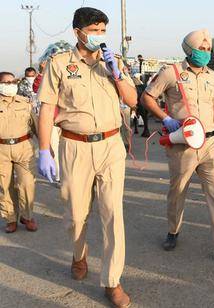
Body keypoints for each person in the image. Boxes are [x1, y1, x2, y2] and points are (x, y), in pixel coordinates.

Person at [37, 7, 137, 307]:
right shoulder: (59, 64)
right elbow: (45, 109)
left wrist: (117, 74)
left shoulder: (113, 62)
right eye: (94, 30)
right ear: (78, 32)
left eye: (103, 29)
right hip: (74, 146)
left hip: (110, 145)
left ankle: (112, 281)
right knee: (75, 216)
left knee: (112, 214)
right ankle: (79, 255)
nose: (99, 35)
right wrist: (44, 150)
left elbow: (132, 99)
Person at [140, 29, 214, 263]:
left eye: (208, 49)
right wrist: (165, 118)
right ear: (189, 50)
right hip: (184, 143)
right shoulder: (171, 73)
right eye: (201, 48)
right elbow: (147, 97)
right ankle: (173, 231)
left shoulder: (212, 77)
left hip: (210, 142)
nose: (206, 53)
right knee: (178, 192)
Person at [0, 72, 38, 233]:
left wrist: (45, 148)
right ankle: (10, 218)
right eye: (6, 82)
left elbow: (36, 125)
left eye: (13, 81)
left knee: (27, 184)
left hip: (24, 147)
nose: (11, 85)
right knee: (4, 186)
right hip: (2, 150)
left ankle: (27, 216)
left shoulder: (25, 103)